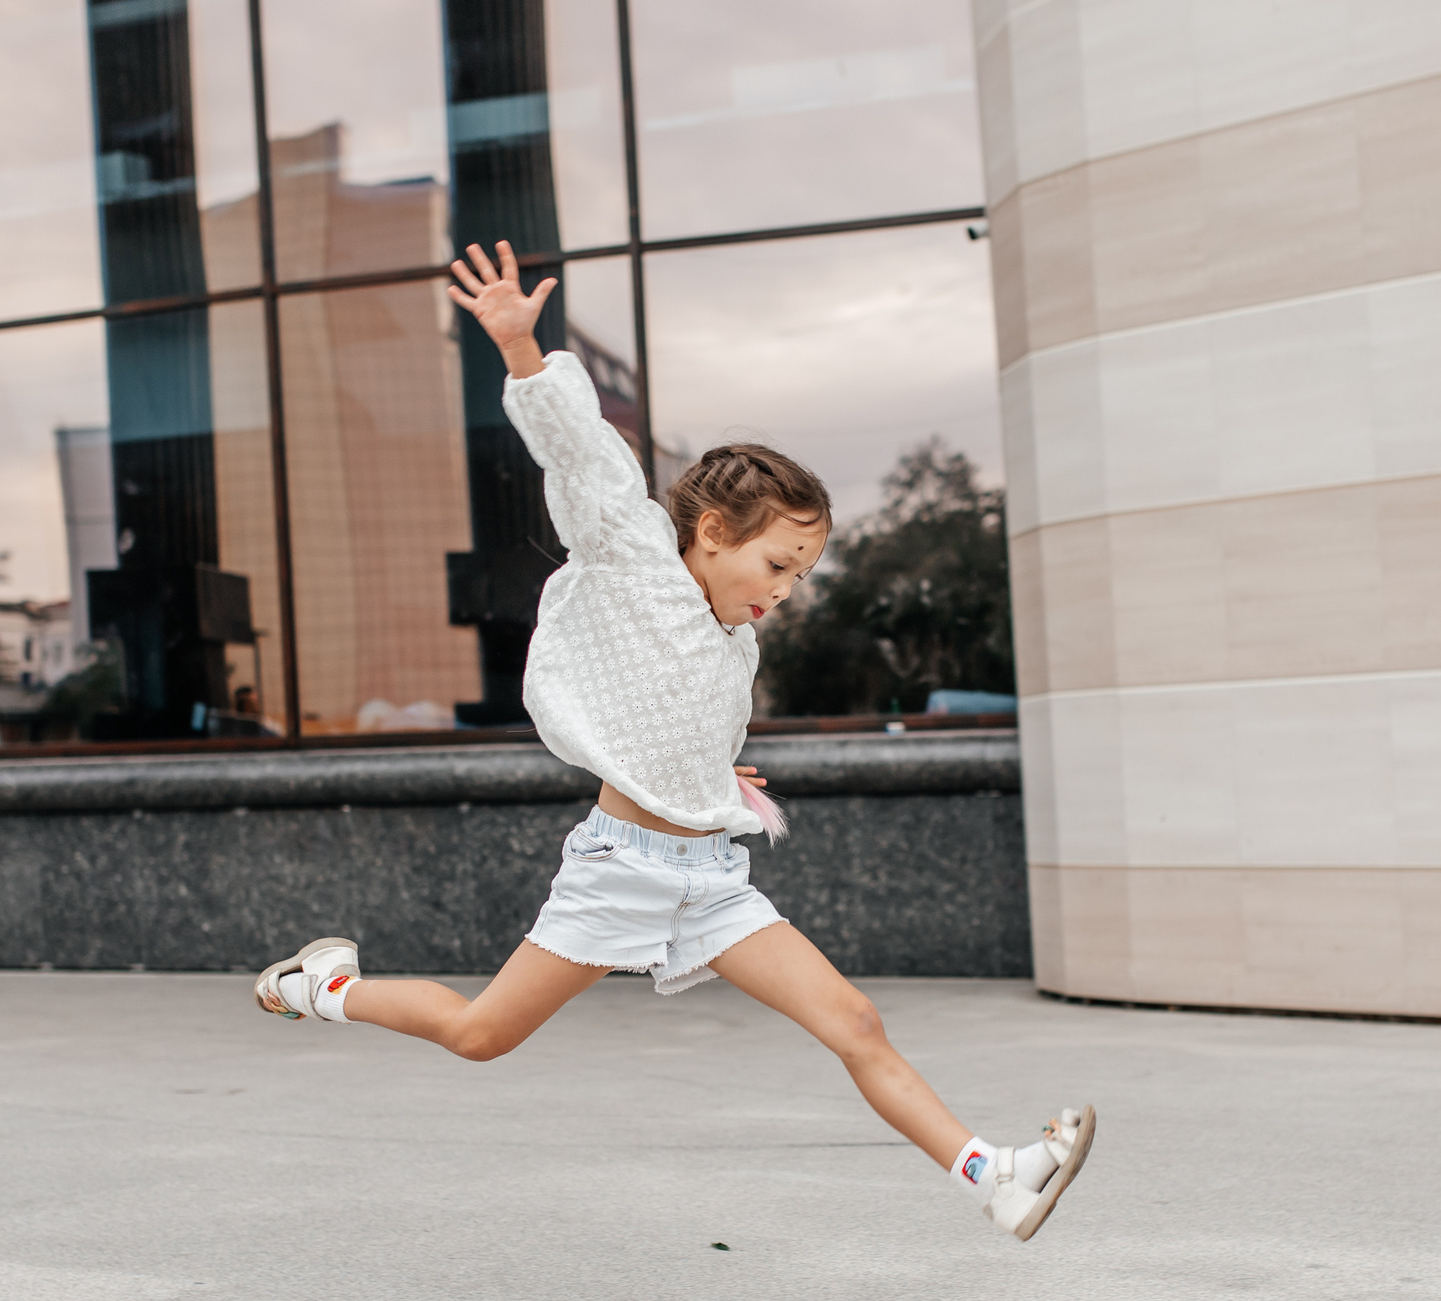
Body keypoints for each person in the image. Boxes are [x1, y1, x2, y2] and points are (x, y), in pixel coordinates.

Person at [253, 240, 1093, 1241]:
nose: (784, 589)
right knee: (482, 1035)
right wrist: (524, 349)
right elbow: (585, 455)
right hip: (620, 869)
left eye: (801, 575)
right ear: (706, 536)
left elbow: (677, 721)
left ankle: (995, 1177)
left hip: (710, 880)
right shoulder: (637, 561)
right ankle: (324, 987)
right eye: (777, 562)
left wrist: (710, 777)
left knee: (854, 1020)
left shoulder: (732, 644)